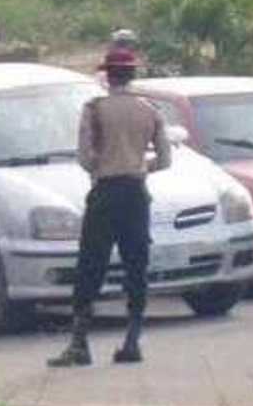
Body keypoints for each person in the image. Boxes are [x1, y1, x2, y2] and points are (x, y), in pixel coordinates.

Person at [48, 49, 172, 368]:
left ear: (107, 76)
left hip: (105, 191)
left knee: (91, 264)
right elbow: (165, 159)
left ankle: (79, 342)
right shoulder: (149, 110)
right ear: (131, 76)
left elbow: (84, 157)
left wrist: (103, 165)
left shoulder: (94, 109)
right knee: (136, 265)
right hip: (135, 192)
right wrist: (139, 166)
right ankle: (132, 340)